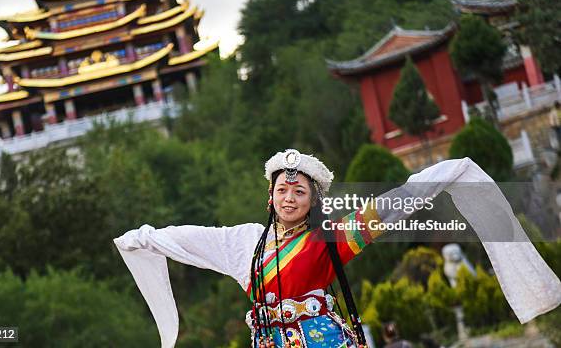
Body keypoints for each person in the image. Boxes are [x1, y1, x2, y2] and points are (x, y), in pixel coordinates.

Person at [114, 149, 561, 348]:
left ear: (313, 202)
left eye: (300, 192)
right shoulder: (243, 243)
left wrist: (444, 176)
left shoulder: (331, 237)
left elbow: (392, 206)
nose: (290, 197)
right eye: (283, 190)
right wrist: (147, 237)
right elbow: (188, 238)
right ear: (270, 198)